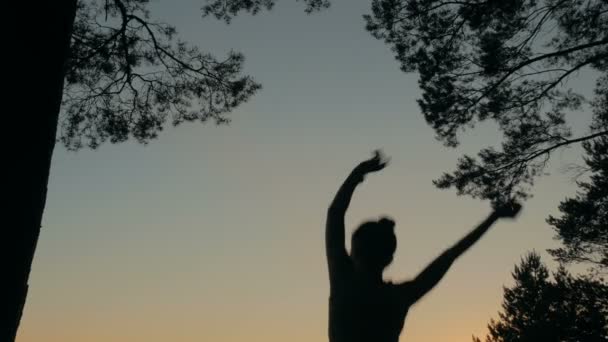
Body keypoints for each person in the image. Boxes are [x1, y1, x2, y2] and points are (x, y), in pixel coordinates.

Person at [326, 150, 522, 342]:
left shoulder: (344, 281)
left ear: (355, 253)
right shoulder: (399, 296)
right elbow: (451, 255)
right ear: (389, 258)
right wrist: (493, 218)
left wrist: (358, 172)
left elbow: (335, 213)